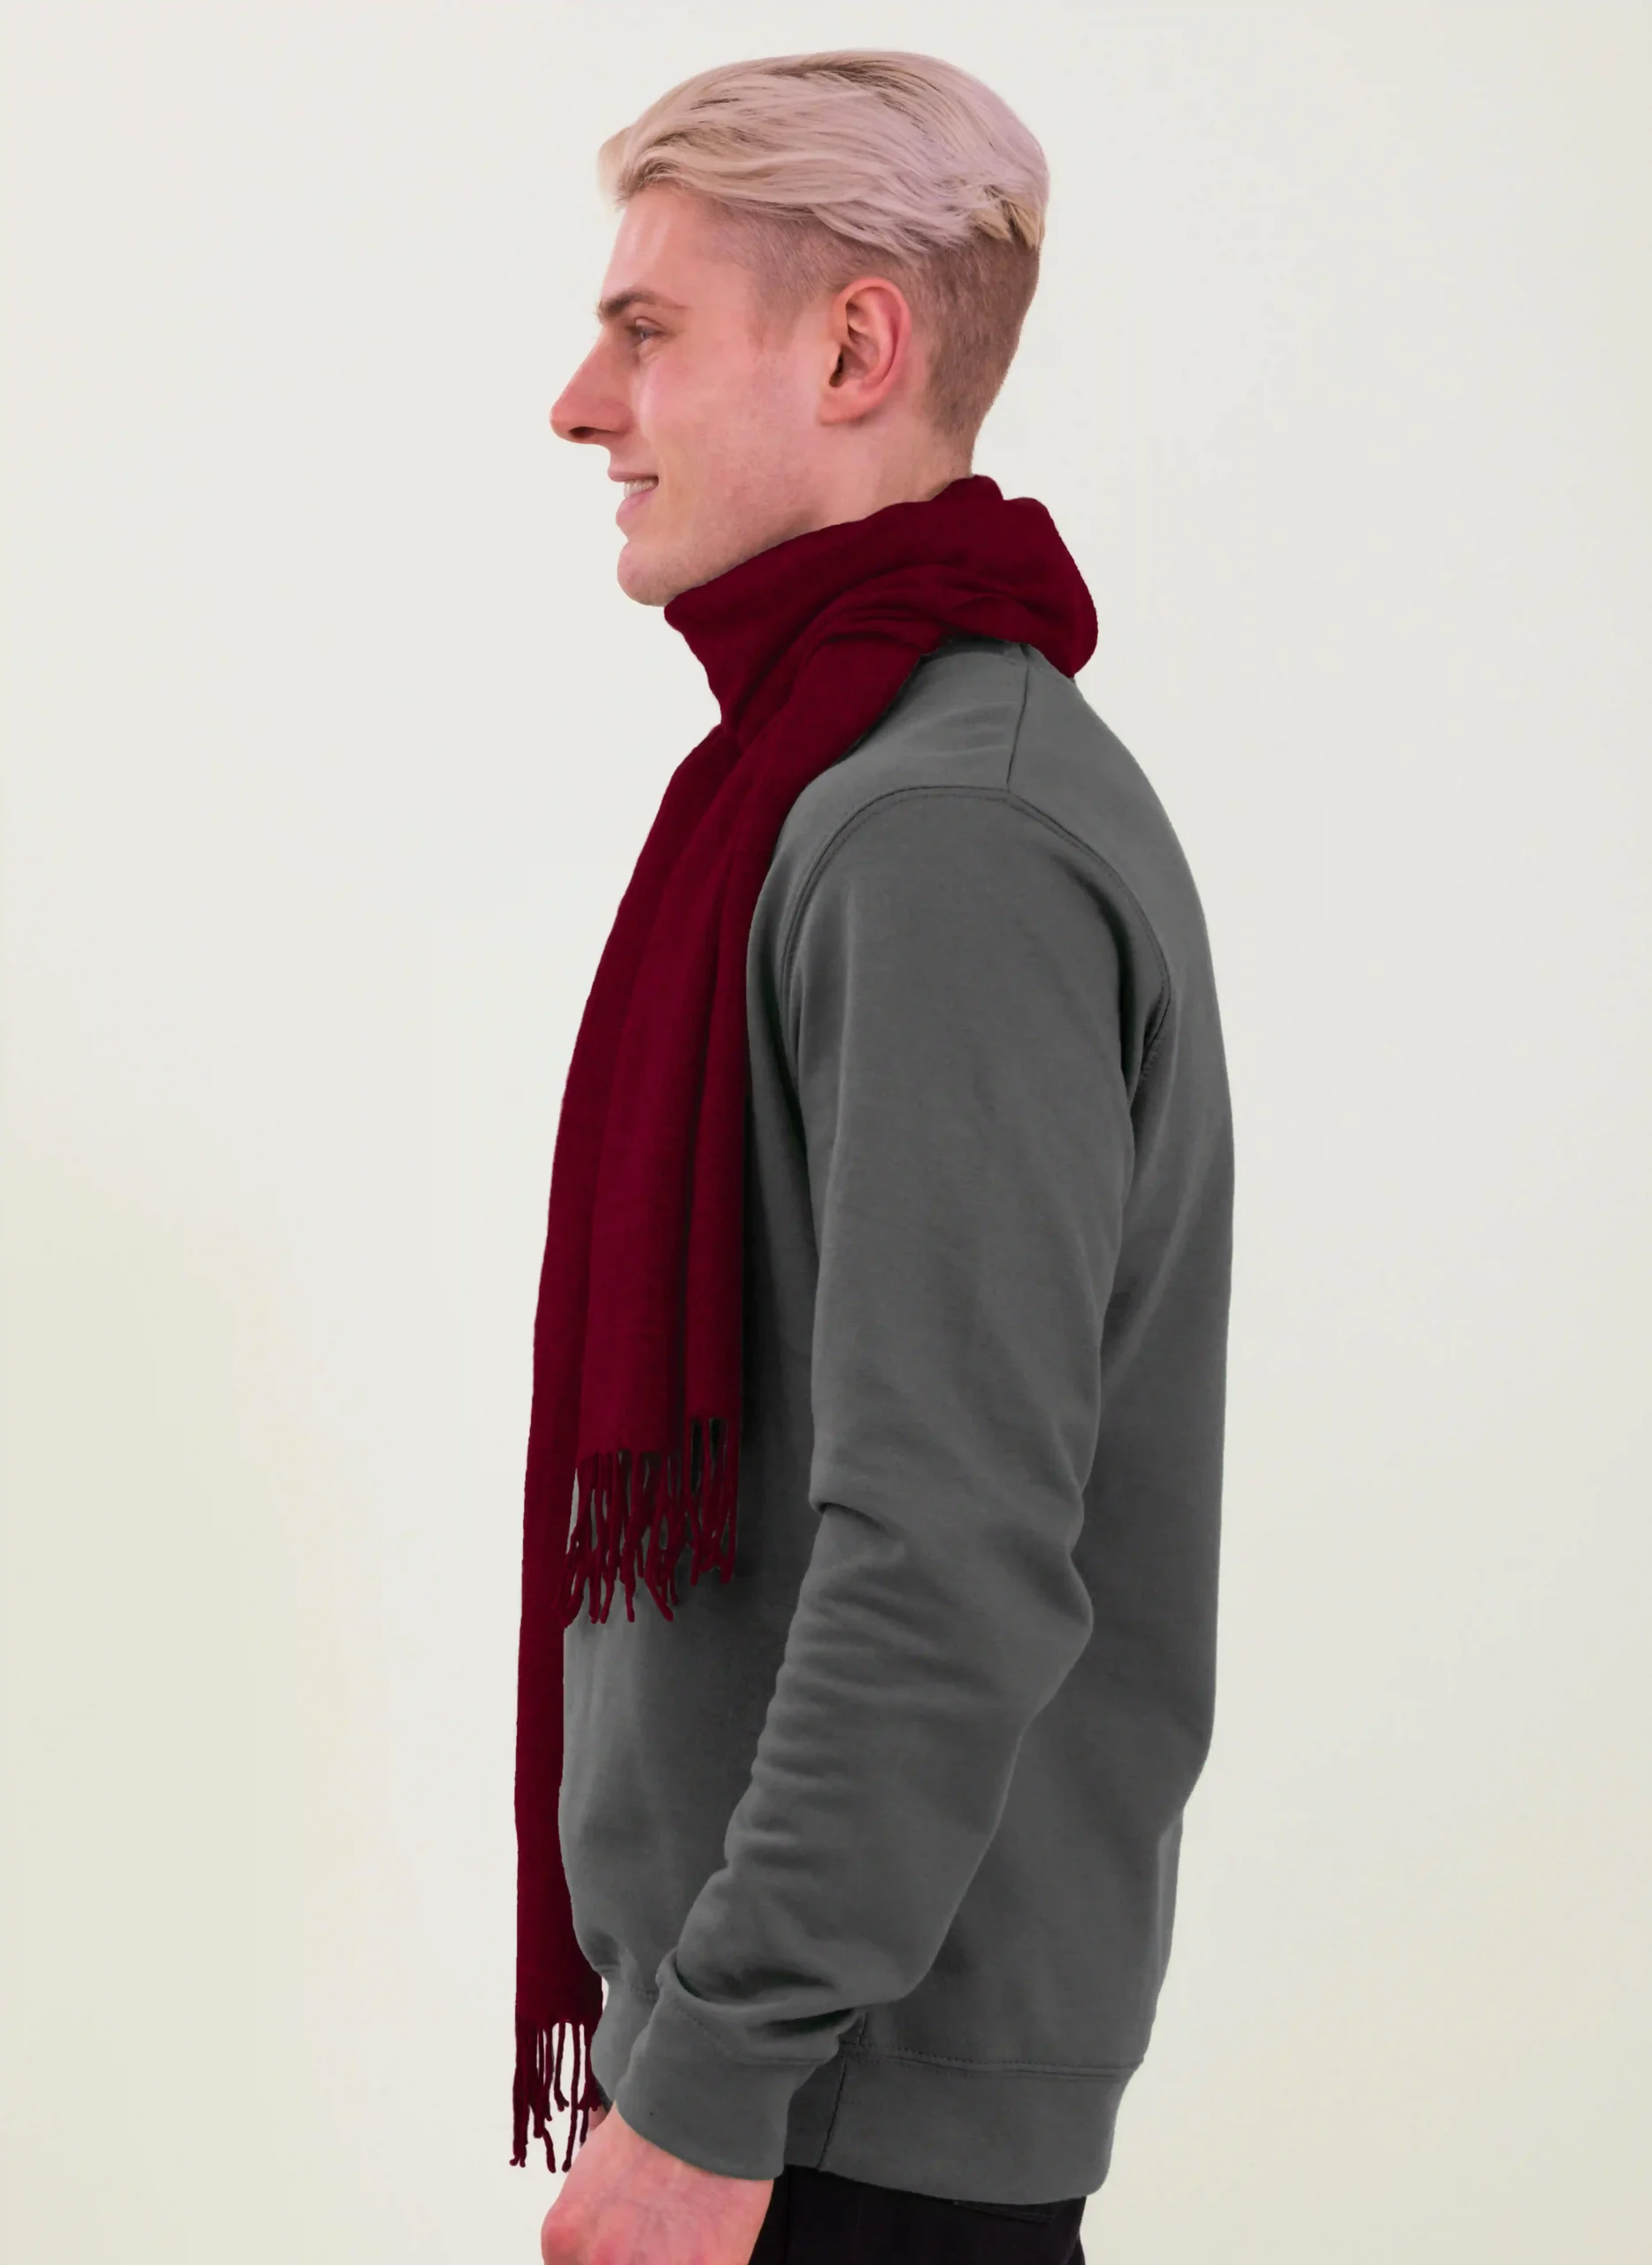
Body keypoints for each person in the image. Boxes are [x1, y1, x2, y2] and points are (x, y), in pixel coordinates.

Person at [512, 50, 1233, 2265]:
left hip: (840, 2128)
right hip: (807, 2090)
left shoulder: (945, 833)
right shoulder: (853, 782)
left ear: (854, 351)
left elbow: (951, 1545)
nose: (578, 402)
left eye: (646, 331)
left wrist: (715, 2078)